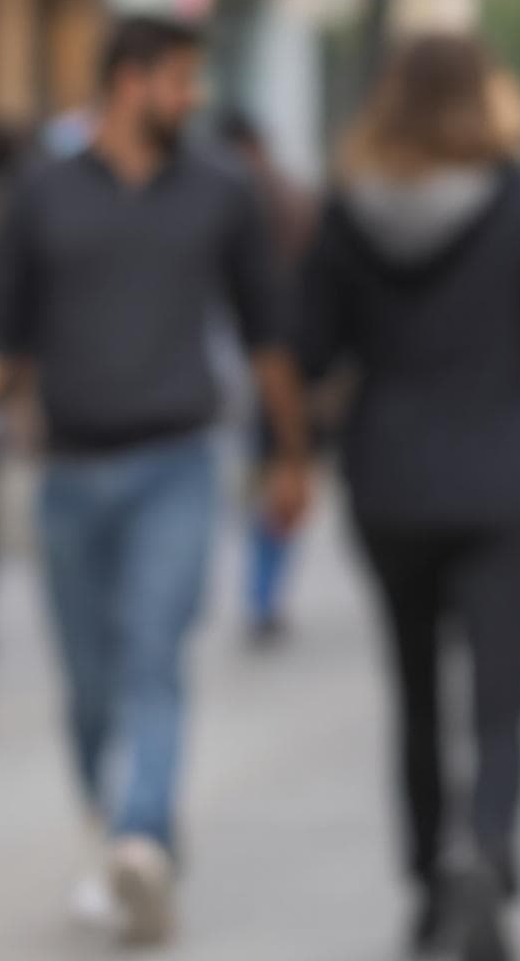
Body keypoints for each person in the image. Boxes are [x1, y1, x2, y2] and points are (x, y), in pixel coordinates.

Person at [0, 16, 313, 948]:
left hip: (180, 463)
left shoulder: (221, 191)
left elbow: (267, 337)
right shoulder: (45, 195)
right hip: (69, 474)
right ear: (130, 82)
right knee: (91, 683)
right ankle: (127, 830)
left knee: (154, 655)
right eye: (179, 81)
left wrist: (291, 456)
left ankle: (140, 839)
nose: (192, 98)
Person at [296, 36, 520, 961]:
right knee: (502, 698)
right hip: (509, 481)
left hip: (391, 485)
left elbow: (311, 349)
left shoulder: (347, 208)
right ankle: (485, 854)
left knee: (413, 693)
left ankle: (424, 882)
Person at [212, 109, 318, 645]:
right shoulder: (288, 196)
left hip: (251, 357)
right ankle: (263, 592)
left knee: (271, 468)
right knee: (278, 466)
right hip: (278, 358)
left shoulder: (222, 198)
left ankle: (261, 592)